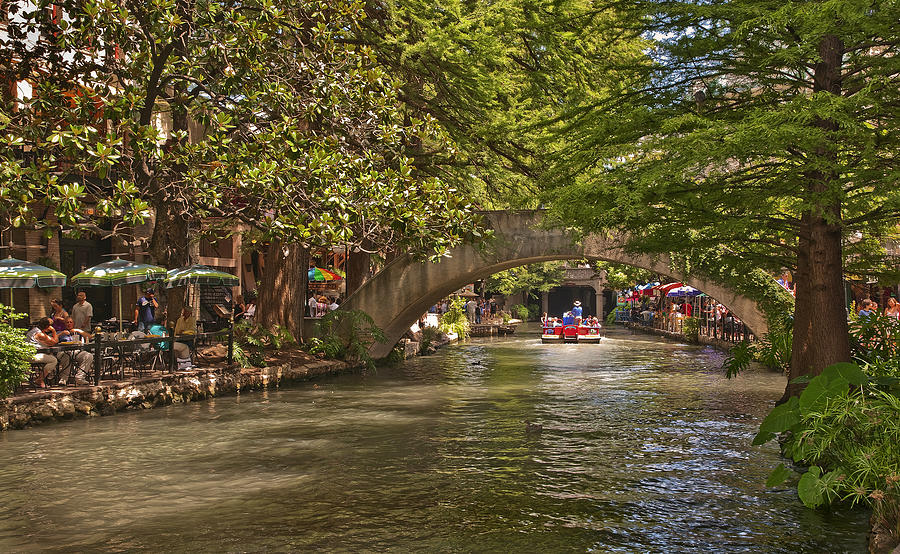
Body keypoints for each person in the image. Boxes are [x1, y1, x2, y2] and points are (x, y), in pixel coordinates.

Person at [56, 317, 94, 386]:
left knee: (89, 356)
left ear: (73, 324)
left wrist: (79, 330)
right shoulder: (60, 332)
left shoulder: (76, 332)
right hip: (63, 351)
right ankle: (64, 379)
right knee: (67, 356)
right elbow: (52, 339)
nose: (69, 324)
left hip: (76, 351)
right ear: (64, 324)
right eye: (67, 322)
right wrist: (61, 333)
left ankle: (80, 377)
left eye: (71, 322)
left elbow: (90, 337)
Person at [26, 317, 59, 388]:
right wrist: (53, 331)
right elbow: (54, 342)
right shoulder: (40, 334)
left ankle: (49, 377)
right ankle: (40, 380)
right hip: (31, 356)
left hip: (29, 354)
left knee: (50, 356)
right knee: (53, 360)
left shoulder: (34, 331)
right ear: (48, 326)